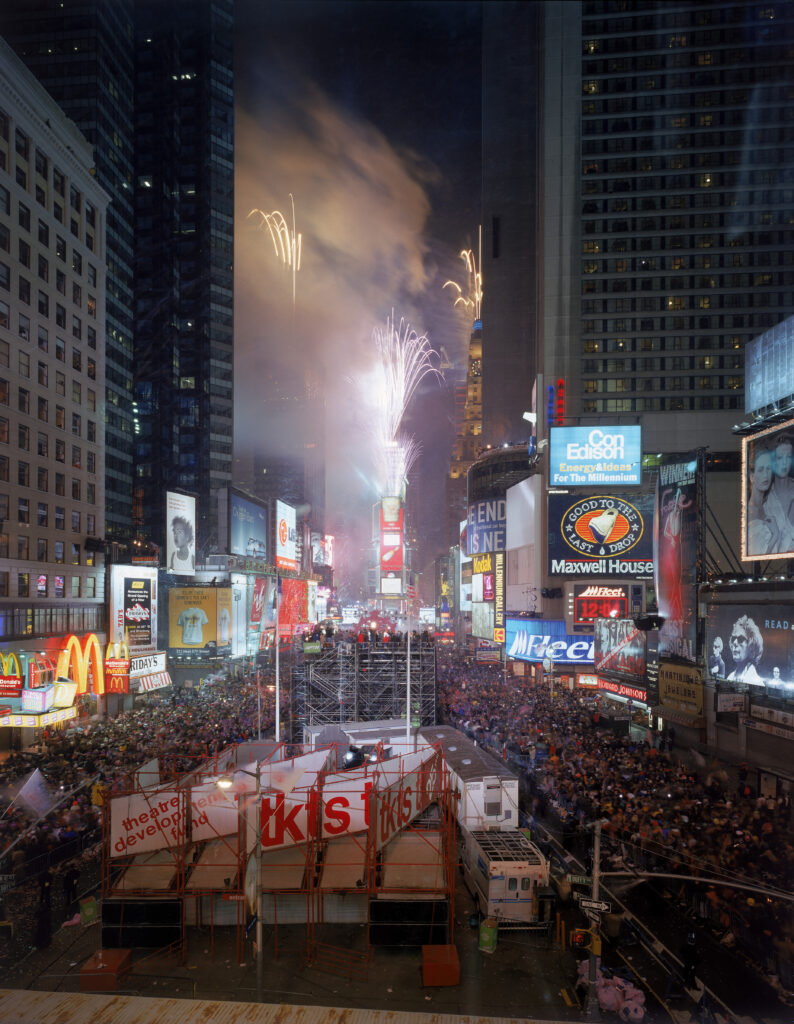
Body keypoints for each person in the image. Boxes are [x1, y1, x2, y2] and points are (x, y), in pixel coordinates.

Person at [726, 615, 764, 685]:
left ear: (752, 647)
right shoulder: (730, 677)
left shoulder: (757, 682)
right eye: (734, 638)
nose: (734, 643)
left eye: (741, 639)